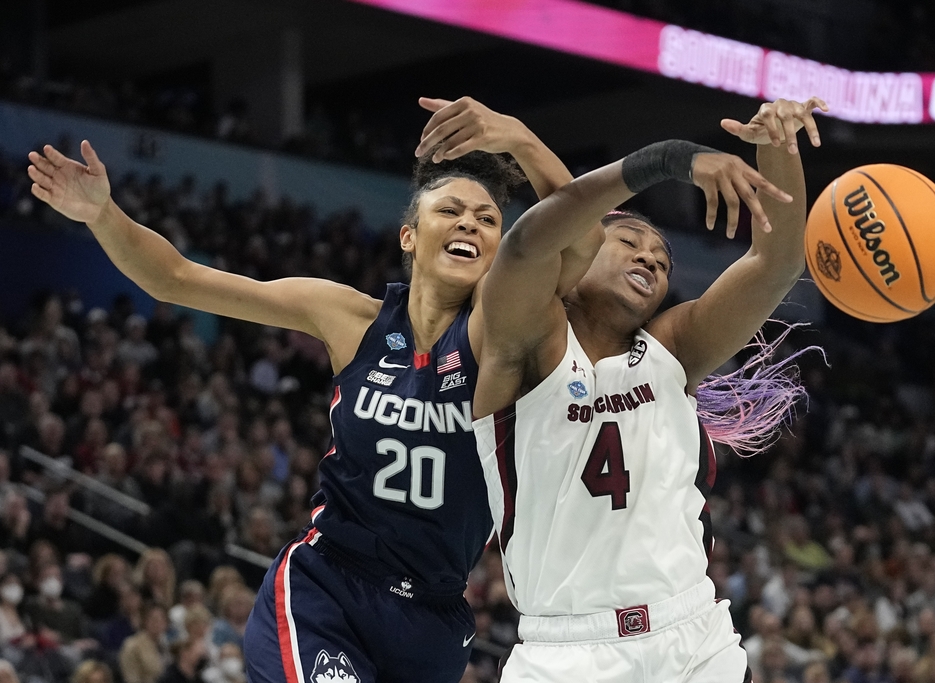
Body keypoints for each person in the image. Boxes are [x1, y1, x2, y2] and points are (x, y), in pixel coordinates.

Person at [25, 96, 603, 683]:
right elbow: (175, 278)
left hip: (435, 615)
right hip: (329, 588)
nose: (469, 224)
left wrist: (521, 139)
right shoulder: (346, 318)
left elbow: (581, 240)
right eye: (450, 210)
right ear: (408, 235)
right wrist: (103, 215)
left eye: (487, 221)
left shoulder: (503, 339)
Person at [472, 97, 826, 681]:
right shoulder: (524, 346)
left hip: (691, 637)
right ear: (580, 254)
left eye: (662, 261)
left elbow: (777, 262)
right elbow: (526, 247)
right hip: (565, 650)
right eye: (629, 242)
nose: (650, 259)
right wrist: (657, 160)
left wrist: (778, 146)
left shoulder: (672, 350)